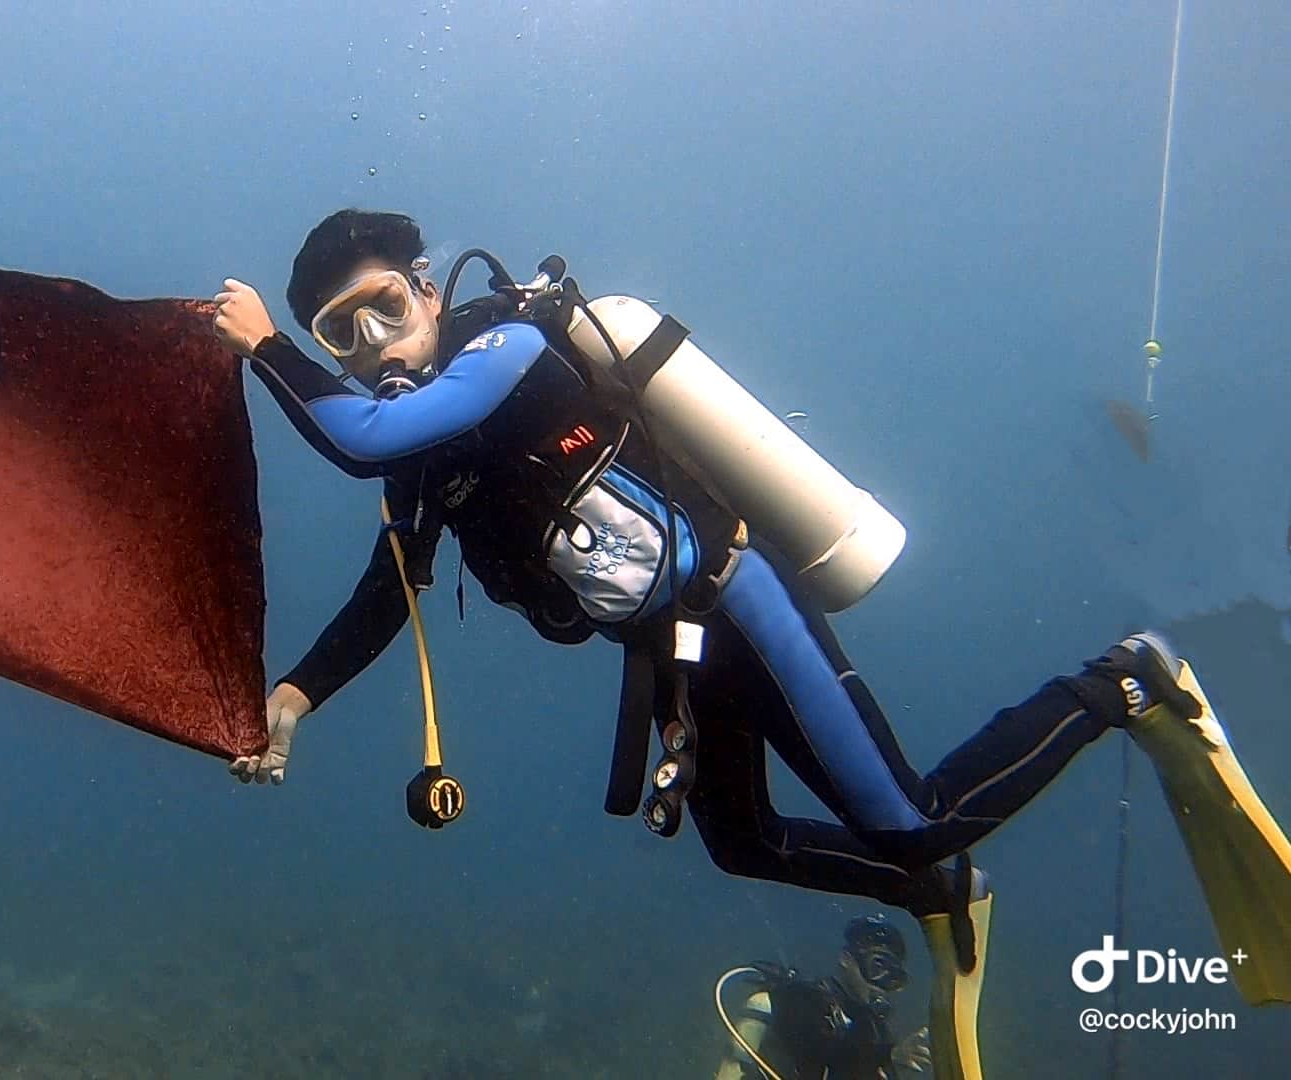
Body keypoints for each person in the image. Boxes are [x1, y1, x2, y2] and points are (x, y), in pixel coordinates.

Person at [209, 209, 1291, 1073]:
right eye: (336, 336)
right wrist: (294, 701)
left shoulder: (509, 345)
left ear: (431, 291)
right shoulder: (426, 462)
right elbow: (383, 595)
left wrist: (266, 349)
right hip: (677, 650)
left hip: (740, 604)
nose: (371, 347)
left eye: (384, 308)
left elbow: (363, 437)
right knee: (744, 841)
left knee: (910, 819)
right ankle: (942, 895)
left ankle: (1129, 681)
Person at [713, 915, 929, 1080]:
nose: (881, 984)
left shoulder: (875, 1031)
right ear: (846, 959)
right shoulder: (801, 999)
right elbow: (819, 1048)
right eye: (877, 966)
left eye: (893, 977)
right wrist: (888, 1057)